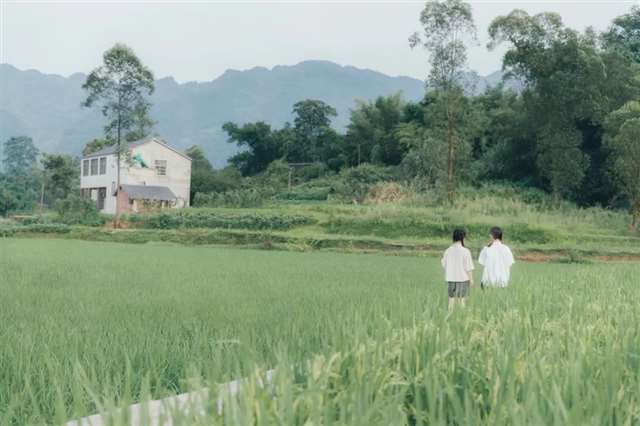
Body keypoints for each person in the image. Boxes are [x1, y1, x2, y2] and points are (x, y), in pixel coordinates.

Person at [441, 229, 474, 311]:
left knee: (451, 300)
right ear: (463, 238)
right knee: (461, 301)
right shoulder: (465, 251)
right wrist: (471, 280)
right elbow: (468, 267)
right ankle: (462, 317)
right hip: (462, 279)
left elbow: (443, 264)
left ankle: (449, 316)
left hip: (451, 279)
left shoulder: (448, 250)